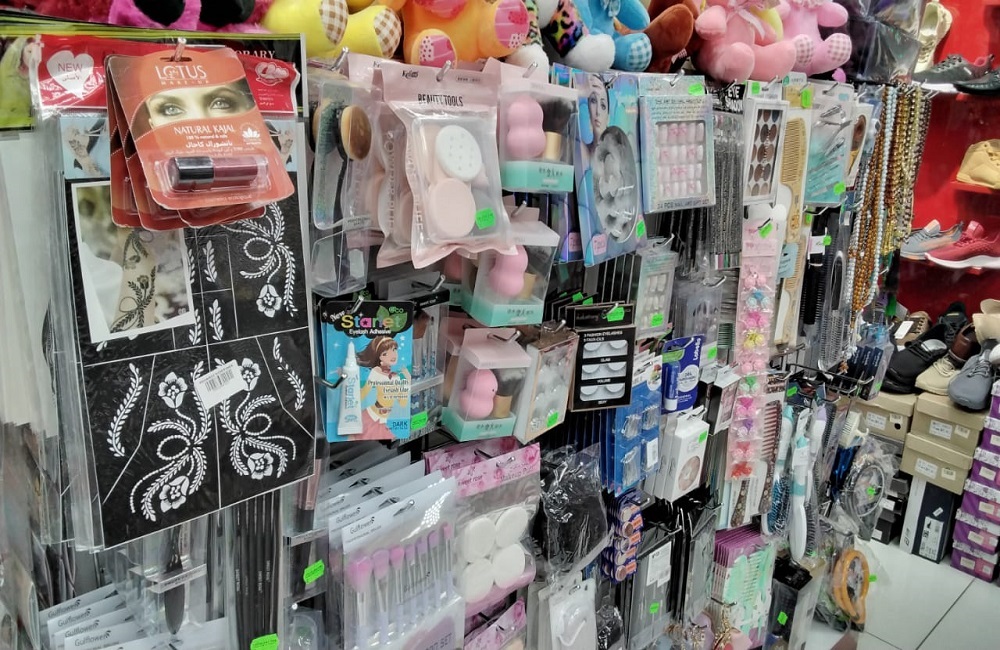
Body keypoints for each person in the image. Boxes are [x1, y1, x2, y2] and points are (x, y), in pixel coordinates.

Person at [355, 336, 410, 439]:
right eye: (385, 353)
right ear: (379, 357)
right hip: (372, 416)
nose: (393, 355)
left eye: (394, 349)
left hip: (383, 420)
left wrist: (407, 382)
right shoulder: (376, 371)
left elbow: (402, 403)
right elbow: (364, 393)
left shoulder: (397, 377)